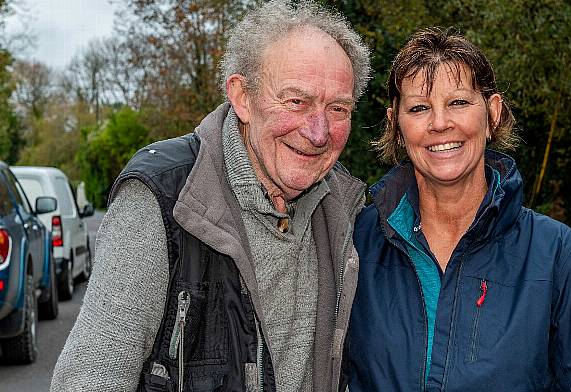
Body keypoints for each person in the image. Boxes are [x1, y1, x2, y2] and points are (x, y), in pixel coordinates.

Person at [50, 1, 370, 391]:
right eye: (296, 101)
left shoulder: (344, 208)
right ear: (242, 97)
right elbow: (92, 377)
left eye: (338, 108)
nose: (319, 132)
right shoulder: (163, 198)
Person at [343, 28, 571, 391]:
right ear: (397, 126)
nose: (439, 123)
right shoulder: (355, 243)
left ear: (492, 113)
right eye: (419, 107)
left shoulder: (561, 257)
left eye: (459, 102)